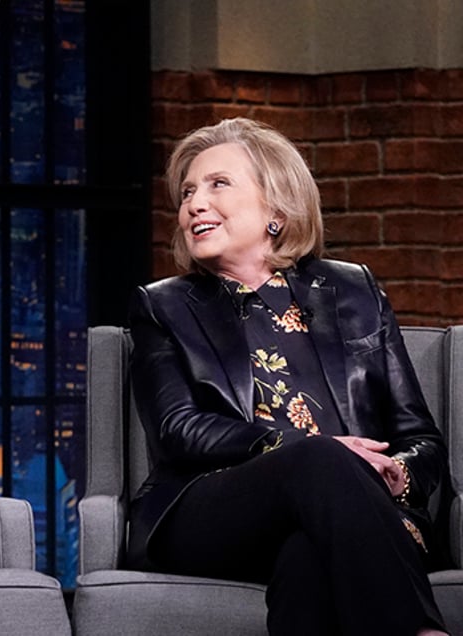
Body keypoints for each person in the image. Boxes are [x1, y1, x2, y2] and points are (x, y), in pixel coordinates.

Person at [126, 117, 449, 635]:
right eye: (187, 191)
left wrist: (399, 473)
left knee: (305, 559)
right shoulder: (163, 305)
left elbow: (420, 438)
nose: (194, 203)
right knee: (321, 455)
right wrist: (297, 447)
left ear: (276, 208)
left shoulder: (355, 290)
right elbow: (177, 429)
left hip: (349, 512)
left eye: (218, 184)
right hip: (209, 509)